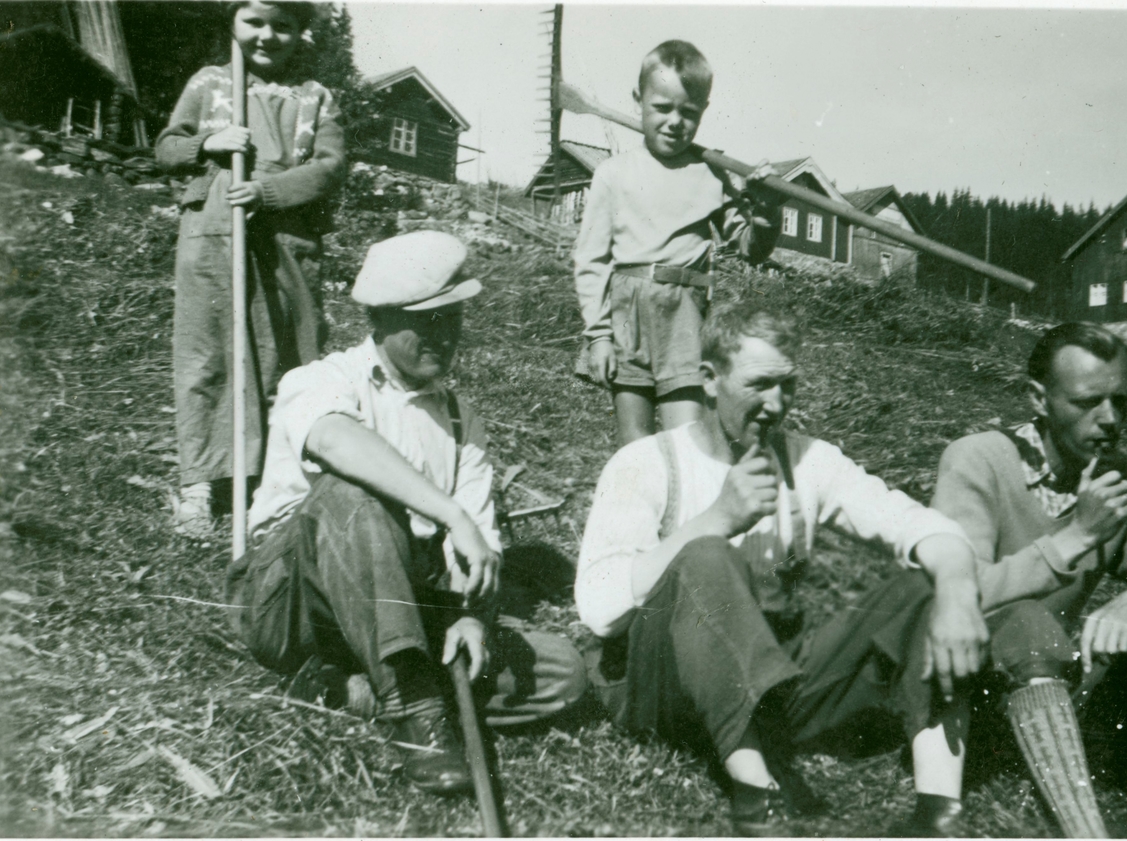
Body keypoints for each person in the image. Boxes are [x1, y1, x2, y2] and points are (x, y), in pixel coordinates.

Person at [576, 301, 990, 835]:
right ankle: (758, 793)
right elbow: (598, 607)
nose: (776, 404)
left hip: (772, 687)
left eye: (787, 384)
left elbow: (914, 522)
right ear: (709, 379)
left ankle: (938, 810)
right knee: (706, 555)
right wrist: (715, 520)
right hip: (665, 692)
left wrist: (957, 591)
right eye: (759, 384)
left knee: (924, 586)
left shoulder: (808, 460)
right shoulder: (645, 463)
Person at [225, 231, 588, 795]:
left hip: (402, 609)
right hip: (293, 602)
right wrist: (450, 515)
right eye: (427, 322)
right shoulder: (321, 380)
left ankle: (355, 690)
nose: (443, 337)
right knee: (355, 496)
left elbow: (480, 544)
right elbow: (337, 444)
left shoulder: (462, 419)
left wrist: (473, 614)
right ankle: (418, 711)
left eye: (453, 319)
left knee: (562, 671)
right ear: (380, 319)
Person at [932, 322, 1127, 837]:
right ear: (1038, 398)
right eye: (1087, 402)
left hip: (1060, 684)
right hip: (970, 688)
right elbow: (957, 593)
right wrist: (1077, 535)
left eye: (1121, 402)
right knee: (1026, 618)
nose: (1109, 420)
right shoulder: (979, 460)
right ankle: (1084, 829)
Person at [157, 0, 346, 536]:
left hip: (288, 235)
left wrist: (269, 190)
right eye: (254, 22)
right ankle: (201, 482)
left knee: (286, 352)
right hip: (215, 231)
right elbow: (168, 147)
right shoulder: (210, 82)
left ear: (301, 32)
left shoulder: (316, 97)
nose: (267, 36)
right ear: (233, 23)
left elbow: (330, 168)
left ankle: (275, 480)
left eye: (282, 25)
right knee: (208, 351)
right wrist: (208, 142)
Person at [573, 40, 782, 446]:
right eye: (662, 108)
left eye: (688, 112)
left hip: (685, 316)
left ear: (703, 110)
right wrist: (598, 336)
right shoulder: (613, 174)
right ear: (638, 101)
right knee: (633, 441)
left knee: (686, 439)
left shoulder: (712, 175)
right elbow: (591, 260)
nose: (674, 122)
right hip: (626, 314)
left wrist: (767, 211)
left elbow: (751, 248)